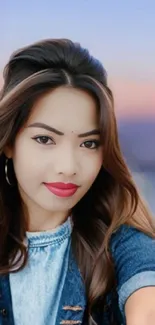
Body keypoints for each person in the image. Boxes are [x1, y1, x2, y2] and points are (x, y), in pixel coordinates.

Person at [0, 38, 155, 325]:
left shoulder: (122, 245)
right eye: (45, 139)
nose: (69, 167)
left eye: (89, 143)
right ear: (10, 143)